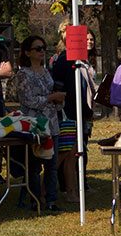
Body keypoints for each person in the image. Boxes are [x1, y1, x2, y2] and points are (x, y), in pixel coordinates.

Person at [11, 36, 63, 210]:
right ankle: (34, 199)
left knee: (52, 165)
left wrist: (58, 99)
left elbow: (51, 96)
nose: (42, 51)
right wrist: (51, 98)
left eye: (43, 48)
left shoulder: (46, 71)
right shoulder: (23, 74)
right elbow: (28, 100)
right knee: (34, 166)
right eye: (37, 49)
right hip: (34, 125)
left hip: (52, 123)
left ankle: (51, 200)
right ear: (27, 52)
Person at [52, 20, 96, 201]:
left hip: (80, 112)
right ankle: (50, 188)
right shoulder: (63, 61)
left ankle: (73, 189)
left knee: (76, 152)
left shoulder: (81, 62)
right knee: (66, 152)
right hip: (67, 113)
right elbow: (59, 89)